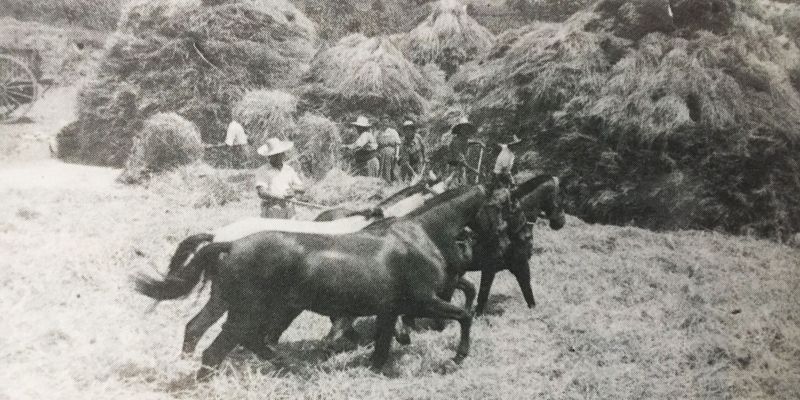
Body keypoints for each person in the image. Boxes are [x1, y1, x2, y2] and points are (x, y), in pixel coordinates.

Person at [254, 138, 304, 219]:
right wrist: (278, 196)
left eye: (279, 154)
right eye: (274, 155)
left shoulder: (289, 170)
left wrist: (293, 191)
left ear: (283, 154)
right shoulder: (263, 171)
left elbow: (302, 188)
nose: (277, 157)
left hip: (289, 210)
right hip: (272, 210)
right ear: (269, 156)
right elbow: (261, 192)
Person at [446, 116, 477, 185]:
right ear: (460, 130)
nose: (466, 131)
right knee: (453, 184)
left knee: (463, 183)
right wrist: (473, 170)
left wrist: (477, 142)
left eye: (467, 129)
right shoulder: (456, 142)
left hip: (460, 167)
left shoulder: (464, 139)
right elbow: (461, 159)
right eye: (464, 129)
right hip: (454, 167)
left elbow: (468, 142)